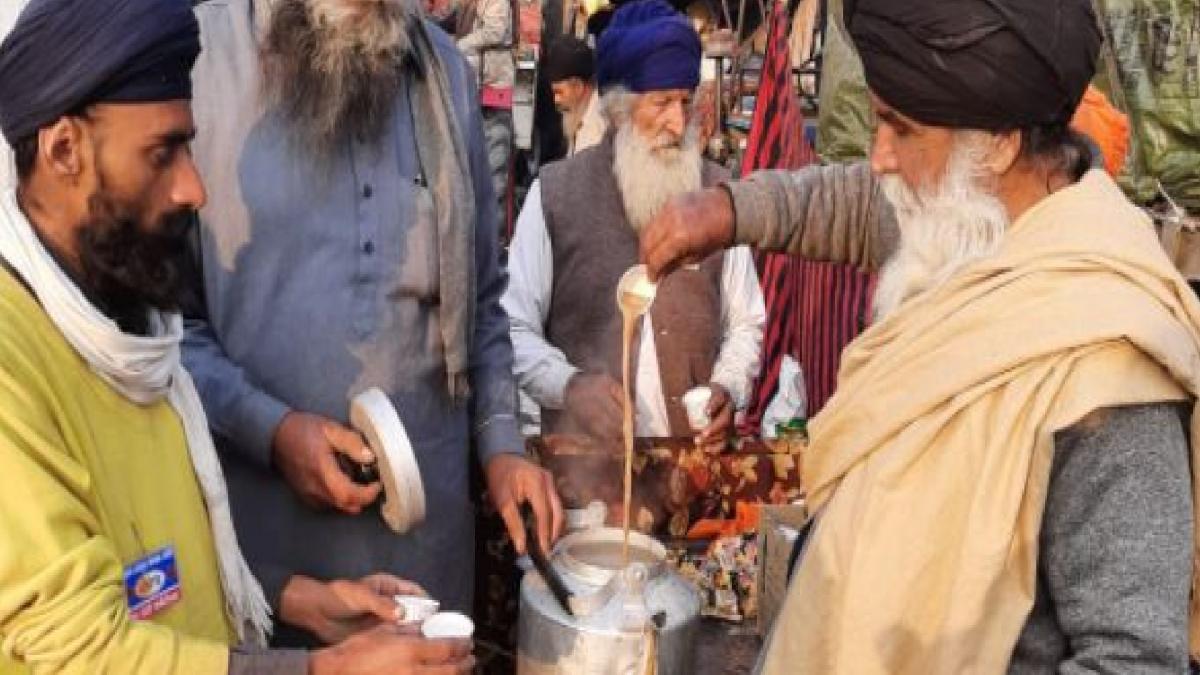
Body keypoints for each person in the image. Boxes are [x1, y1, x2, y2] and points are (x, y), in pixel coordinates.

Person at [640, 0, 1200, 671]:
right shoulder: (972, 216)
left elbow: (1133, 658)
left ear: (997, 141)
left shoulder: (1107, 364)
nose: (877, 158)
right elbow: (853, 204)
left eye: (899, 128)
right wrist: (728, 209)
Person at [0, 0, 474, 673]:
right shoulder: (13, 364)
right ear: (64, 149)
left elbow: (157, 570)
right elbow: (85, 650)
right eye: (163, 153)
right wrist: (322, 669)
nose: (195, 188)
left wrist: (300, 598)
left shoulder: (128, 324)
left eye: (189, 146)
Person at [184, 0, 562, 648]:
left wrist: (502, 445)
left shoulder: (444, 72)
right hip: (270, 558)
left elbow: (483, 300)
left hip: (424, 555)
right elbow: (166, 329)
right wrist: (271, 432)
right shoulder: (198, 59)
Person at [503, 0, 765, 450]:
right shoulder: (556, 194)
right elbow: (511, 326)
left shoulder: (718, 197)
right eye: (661, 103)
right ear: (621, 109)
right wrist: (569, 386)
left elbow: (746, 323)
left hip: (689, 475)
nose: (678, 123)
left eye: (686, 101)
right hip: (584, 480)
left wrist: (727, 388)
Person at [456, 0, 516, 228]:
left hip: (494, 87)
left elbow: (495, 32)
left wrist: (459, 45)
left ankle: (495, 239)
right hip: (477, 87)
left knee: (494, 174)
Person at [544, 35, 605, 156]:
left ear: (578, 87)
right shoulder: (578, 117)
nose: (556, 100)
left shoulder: (599, 128)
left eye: (559, 92)